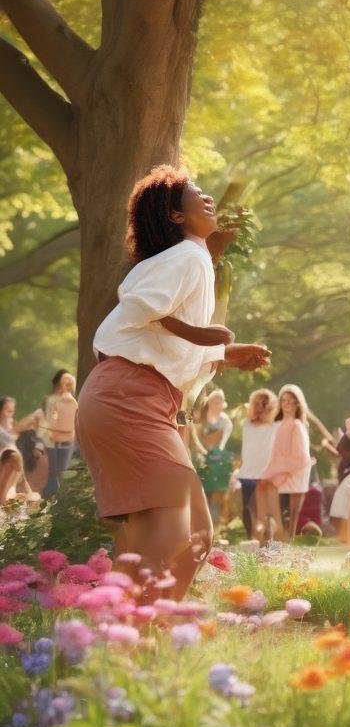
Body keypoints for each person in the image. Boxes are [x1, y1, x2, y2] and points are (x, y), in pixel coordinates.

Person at [75, 165, 270, 599]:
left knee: (177, 536)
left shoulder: (188, 258)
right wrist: (202, 334)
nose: (208, 197)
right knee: (183, 536)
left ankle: (132, 641)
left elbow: (152, 337)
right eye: (195, 194)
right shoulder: (185, 256)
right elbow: (140, 306)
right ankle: (129, 636)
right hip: (130, 399)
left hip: (128, 396)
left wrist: (222, 353)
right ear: (176, 217)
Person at [255, 385, 314, 542]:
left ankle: (283, 556)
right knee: (271, 520)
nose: (286, 403)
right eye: (284, 400)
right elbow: (273, 455)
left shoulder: (297, 425)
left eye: (290, 400)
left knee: (287, 522)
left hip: (292, 480)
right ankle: (272, 554)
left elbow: (301, 458)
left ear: (297, 403)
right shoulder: (278, 425)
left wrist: (277, 473)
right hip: (277, 478)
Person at [236, 388, 277, 540]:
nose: (260, 406)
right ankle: (251, 539)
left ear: (270, 406)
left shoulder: (274, 426)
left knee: (265, 511)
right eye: (257, 403)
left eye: (264, 403)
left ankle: (267, 540)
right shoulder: (247, 424)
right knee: (247, 508)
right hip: (247, 473)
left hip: (265, 475)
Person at [194, 389, 234, 532]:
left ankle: (214, 531)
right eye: (213, 399)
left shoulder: (225, 420)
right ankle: (201, 528)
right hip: (202, 458)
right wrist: (202, 450)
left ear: (222, 403)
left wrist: (216, 451)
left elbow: (222, 442)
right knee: (202, 494)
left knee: (217, 496)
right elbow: (195, 436)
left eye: (219, 400)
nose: (216, 402)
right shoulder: (201, 417)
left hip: (218, 459)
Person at [327, 399, 350, 545]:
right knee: (346, 490)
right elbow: (340, 450)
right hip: (349, 473)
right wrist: (348, 436)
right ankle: (347, 539)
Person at [39, 371, 79, 498]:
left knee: (57, 477)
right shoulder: (53, 401)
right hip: (54, 444)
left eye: (69, 384)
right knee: (53, 477)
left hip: (65, 443)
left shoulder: (72, 402)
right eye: (65, 383)